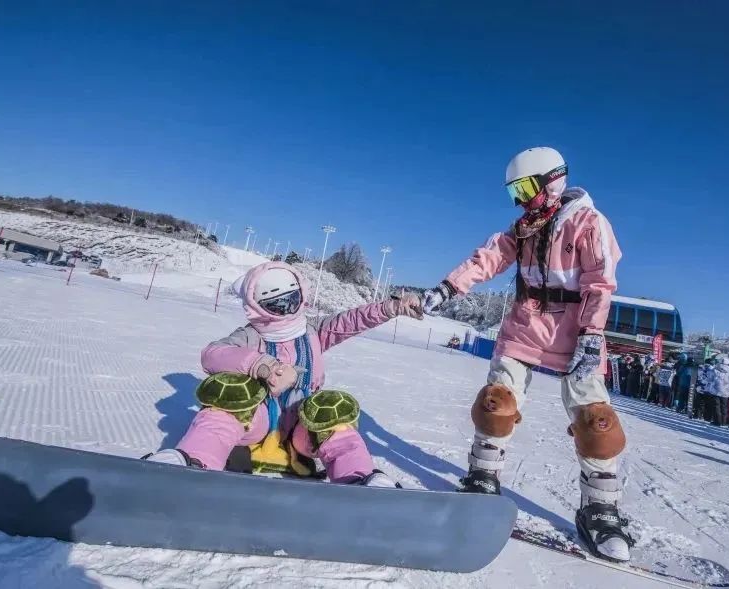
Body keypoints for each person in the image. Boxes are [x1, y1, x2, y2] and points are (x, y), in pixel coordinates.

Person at [421, 147, 632, 562]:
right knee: (496, 401)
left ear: (551, 181)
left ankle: (600, 508)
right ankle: (483, 476)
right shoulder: (523, 229)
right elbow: (486, 259)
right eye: (515, 191)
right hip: (525, 327)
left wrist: (591, 334)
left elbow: (600, 284)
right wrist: (446, 288)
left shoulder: (590, 224)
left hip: (575, 331)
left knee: (597, 422)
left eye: (525, 188)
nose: (520, 200)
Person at [144, 261, 423, 486]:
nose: (287, 310)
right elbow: (212, 354)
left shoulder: (312, 332)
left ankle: (359, 479)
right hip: (258, 421)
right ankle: (192, 461)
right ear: (256, 304)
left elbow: (351, 321)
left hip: (302, 430)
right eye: (277, 305)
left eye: (292, 301)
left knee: (333, 414)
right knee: (224, 402)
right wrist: (261, 365)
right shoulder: (250, 336)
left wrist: (393, 306)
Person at [707, 355, 729, 426]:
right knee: (724, 407)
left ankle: (717, 421)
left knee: (716, 406)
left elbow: (709, 378)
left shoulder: (715, 369)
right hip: (726, 392)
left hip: (716, 390)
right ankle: (723, 422)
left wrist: (710, 388)